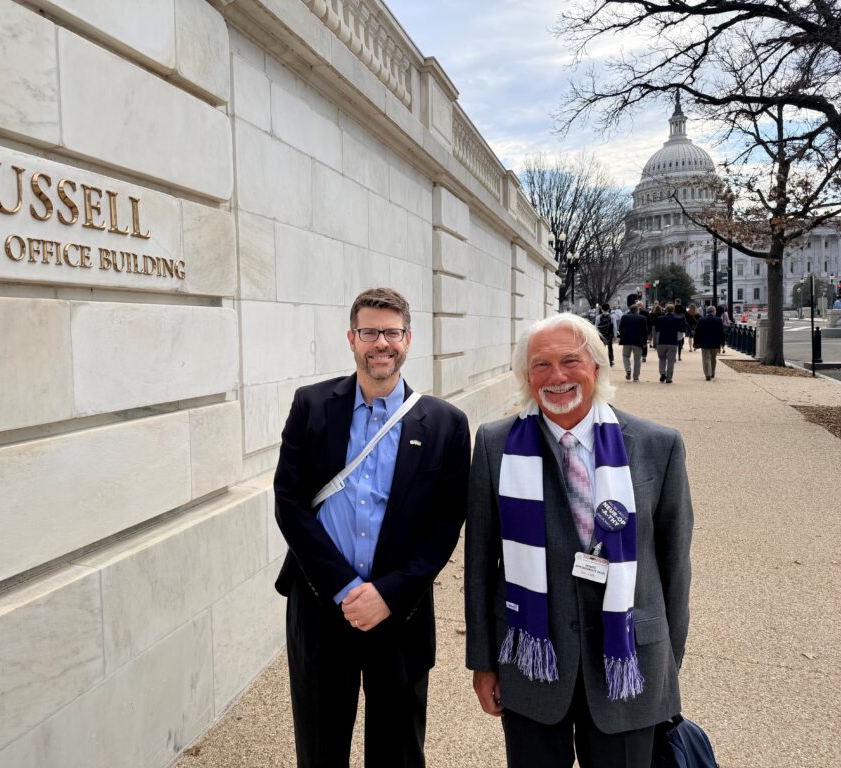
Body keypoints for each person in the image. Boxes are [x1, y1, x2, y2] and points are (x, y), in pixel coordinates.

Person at [465, 313, 693, 768]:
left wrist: (666, 663)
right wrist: (483, 662)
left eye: (570, 361)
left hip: (629, 666)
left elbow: (674, 566)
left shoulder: (657, 445)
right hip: (531, 662)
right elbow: (480, 564)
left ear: (596, 367)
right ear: (526, 376)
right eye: (541, 365)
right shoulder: (495, 445)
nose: (557, 376)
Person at [274, 287, 471, 768]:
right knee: (320, 750)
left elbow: (447, 521)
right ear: (351, 339)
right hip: (322, 605)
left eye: (392, 333)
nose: (381, 343)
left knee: (398, 752)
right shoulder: (311, 405)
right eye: (369, 332)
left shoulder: (446, 423)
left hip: (399, 612)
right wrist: (345, 588)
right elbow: (289, 502)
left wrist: (388, 593)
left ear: (408, 339)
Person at [654, 308, 687, 383]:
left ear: (666, 310)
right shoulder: (677, 319)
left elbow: (657, 329)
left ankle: (662, 373)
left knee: (662, 358)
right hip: (672, 342)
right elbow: (682, 329)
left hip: (662, 341)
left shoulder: (660, 319)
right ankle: (669, 378)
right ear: (673, 310)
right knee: (671, 361)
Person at [694, 305, 726, 380]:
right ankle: (712, 373)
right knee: (713, 359)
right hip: (715, 343)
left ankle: (707, 374)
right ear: (714, 312)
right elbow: (722, 332)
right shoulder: (718, 320)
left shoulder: (701, 320)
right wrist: (722, 342)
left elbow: (697, 332)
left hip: (704, 342)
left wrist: (695, 342)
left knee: (706, 359)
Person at [618, 303, 648, 382]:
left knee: (625, 356)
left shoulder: (624, 317)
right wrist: (645, 342)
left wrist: (623, 336)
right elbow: (645, 331)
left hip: (627, 340)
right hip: (638, 341)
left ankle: (628, 368)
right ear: (637, 310)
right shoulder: (642, 318)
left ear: (630, 310)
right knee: (637, 359)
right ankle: (636, 377)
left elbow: (620, 329)